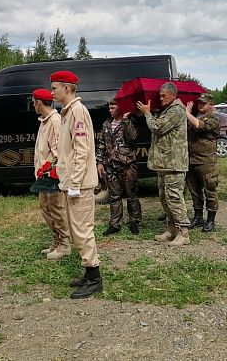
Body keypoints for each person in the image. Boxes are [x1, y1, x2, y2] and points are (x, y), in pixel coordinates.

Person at [51, 70, 103, 299]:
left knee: (83, 230)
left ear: (67, 88)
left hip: (79, 184)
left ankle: (95, 278)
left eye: (55, 88)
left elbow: (81, 150)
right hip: (72, 182)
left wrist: (74, 181)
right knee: (77, 230)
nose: (52, 92)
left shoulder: (77, 112)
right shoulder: (68, 112)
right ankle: (89, 273)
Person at [136, 82, 190, 245]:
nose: (160, 98)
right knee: (164, 197)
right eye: (159, 95)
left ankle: (183, 233)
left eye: (163, 95)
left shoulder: (177, 110)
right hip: (164, 163)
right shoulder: (167, 110)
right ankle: (172, 229)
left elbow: (157, 127)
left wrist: (147, 113)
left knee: (174, 197)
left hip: (174, 163)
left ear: (173, 95)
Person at [32, 88, 71, 260]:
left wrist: (51, 172)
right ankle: (56, 239)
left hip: (52, 175)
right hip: (43, 175)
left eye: (34, 101)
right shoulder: (44, 121)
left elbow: (58, 152)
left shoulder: (55, 120)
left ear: (39, 102)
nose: (33, 105)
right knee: (45, 207)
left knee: (56, 209)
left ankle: (65, 243)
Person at [96, 99, 142, 235]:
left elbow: (133, 137)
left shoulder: (129, 122)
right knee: (114, 196)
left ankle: (135, 222)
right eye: (109, 108)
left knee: (131, 195)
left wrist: (126, 120)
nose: (110, 110)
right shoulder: (106, 124)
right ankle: (115, 224)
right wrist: (99, 162)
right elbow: (102, 144)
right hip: (110, 165)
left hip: (127, 165)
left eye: (113, 108)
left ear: (120, 108)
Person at [185, 93, 220, 232]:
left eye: (203, 103)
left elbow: (199, 125)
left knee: (209, 189)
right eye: (199, 103)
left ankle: (211, 220)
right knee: (194, 190)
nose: (200, 105)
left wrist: (187, 112)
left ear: (211, 105)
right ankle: (198, 216)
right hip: (192, 159)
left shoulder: (214, 119)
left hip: (206, 160)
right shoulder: (195, 116)